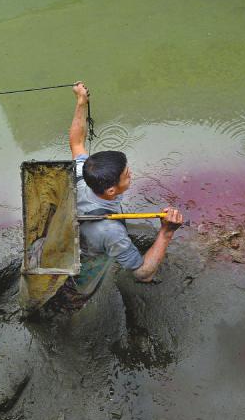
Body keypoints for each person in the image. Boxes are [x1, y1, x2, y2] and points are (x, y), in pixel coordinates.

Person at [63, 81, 184, 304]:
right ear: (111, 190)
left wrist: (81, 102)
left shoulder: (82, 174)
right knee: (80, 293)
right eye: (127, 175)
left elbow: (76, 142)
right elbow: (143, 274)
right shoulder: (112, 232)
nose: (131, 175)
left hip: (65, 238)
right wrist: (166, 232)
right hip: (85, 265)